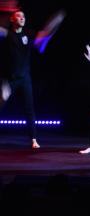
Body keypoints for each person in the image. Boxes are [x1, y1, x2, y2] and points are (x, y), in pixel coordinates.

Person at [0, 9, 65, 148]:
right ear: (12, 19)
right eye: (18, 16)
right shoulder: (6, 34)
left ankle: (33, 139)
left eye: (23, 16)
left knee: (29, 109)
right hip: (9, 79)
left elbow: (42, 37)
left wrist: (53, 27)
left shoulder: (28, 34)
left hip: (25, 79)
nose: (22, 18)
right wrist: (5, 11)